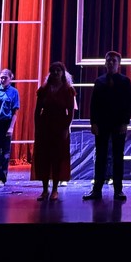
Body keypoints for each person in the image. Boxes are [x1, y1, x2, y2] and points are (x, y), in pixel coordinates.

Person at [83, 51, 131, 201]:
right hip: (102, 124)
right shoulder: (99, 81)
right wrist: (93, 123)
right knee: (101, 157)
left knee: (118, 156)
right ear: (105, 63)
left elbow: (127, 104)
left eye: (114, 61)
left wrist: (125, 122)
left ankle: (118, 190)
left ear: (119, 64)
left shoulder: (125, 81)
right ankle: (96, 189)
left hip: (118, 124)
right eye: (108, 61)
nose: (111, 63)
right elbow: (94, 104)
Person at [31, 61, 77, 201]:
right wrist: (37, 127)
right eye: (53, 70)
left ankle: (55, 190)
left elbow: (70, 112)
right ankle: (45, 190)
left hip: (60, 128)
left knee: (57, 158)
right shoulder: (44, 90)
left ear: (63, 73)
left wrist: (66, 128)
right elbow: (38, 110)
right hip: (45, 127)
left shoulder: (68, 90)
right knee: (44, 158)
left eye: (59, 70)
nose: (56, 73)